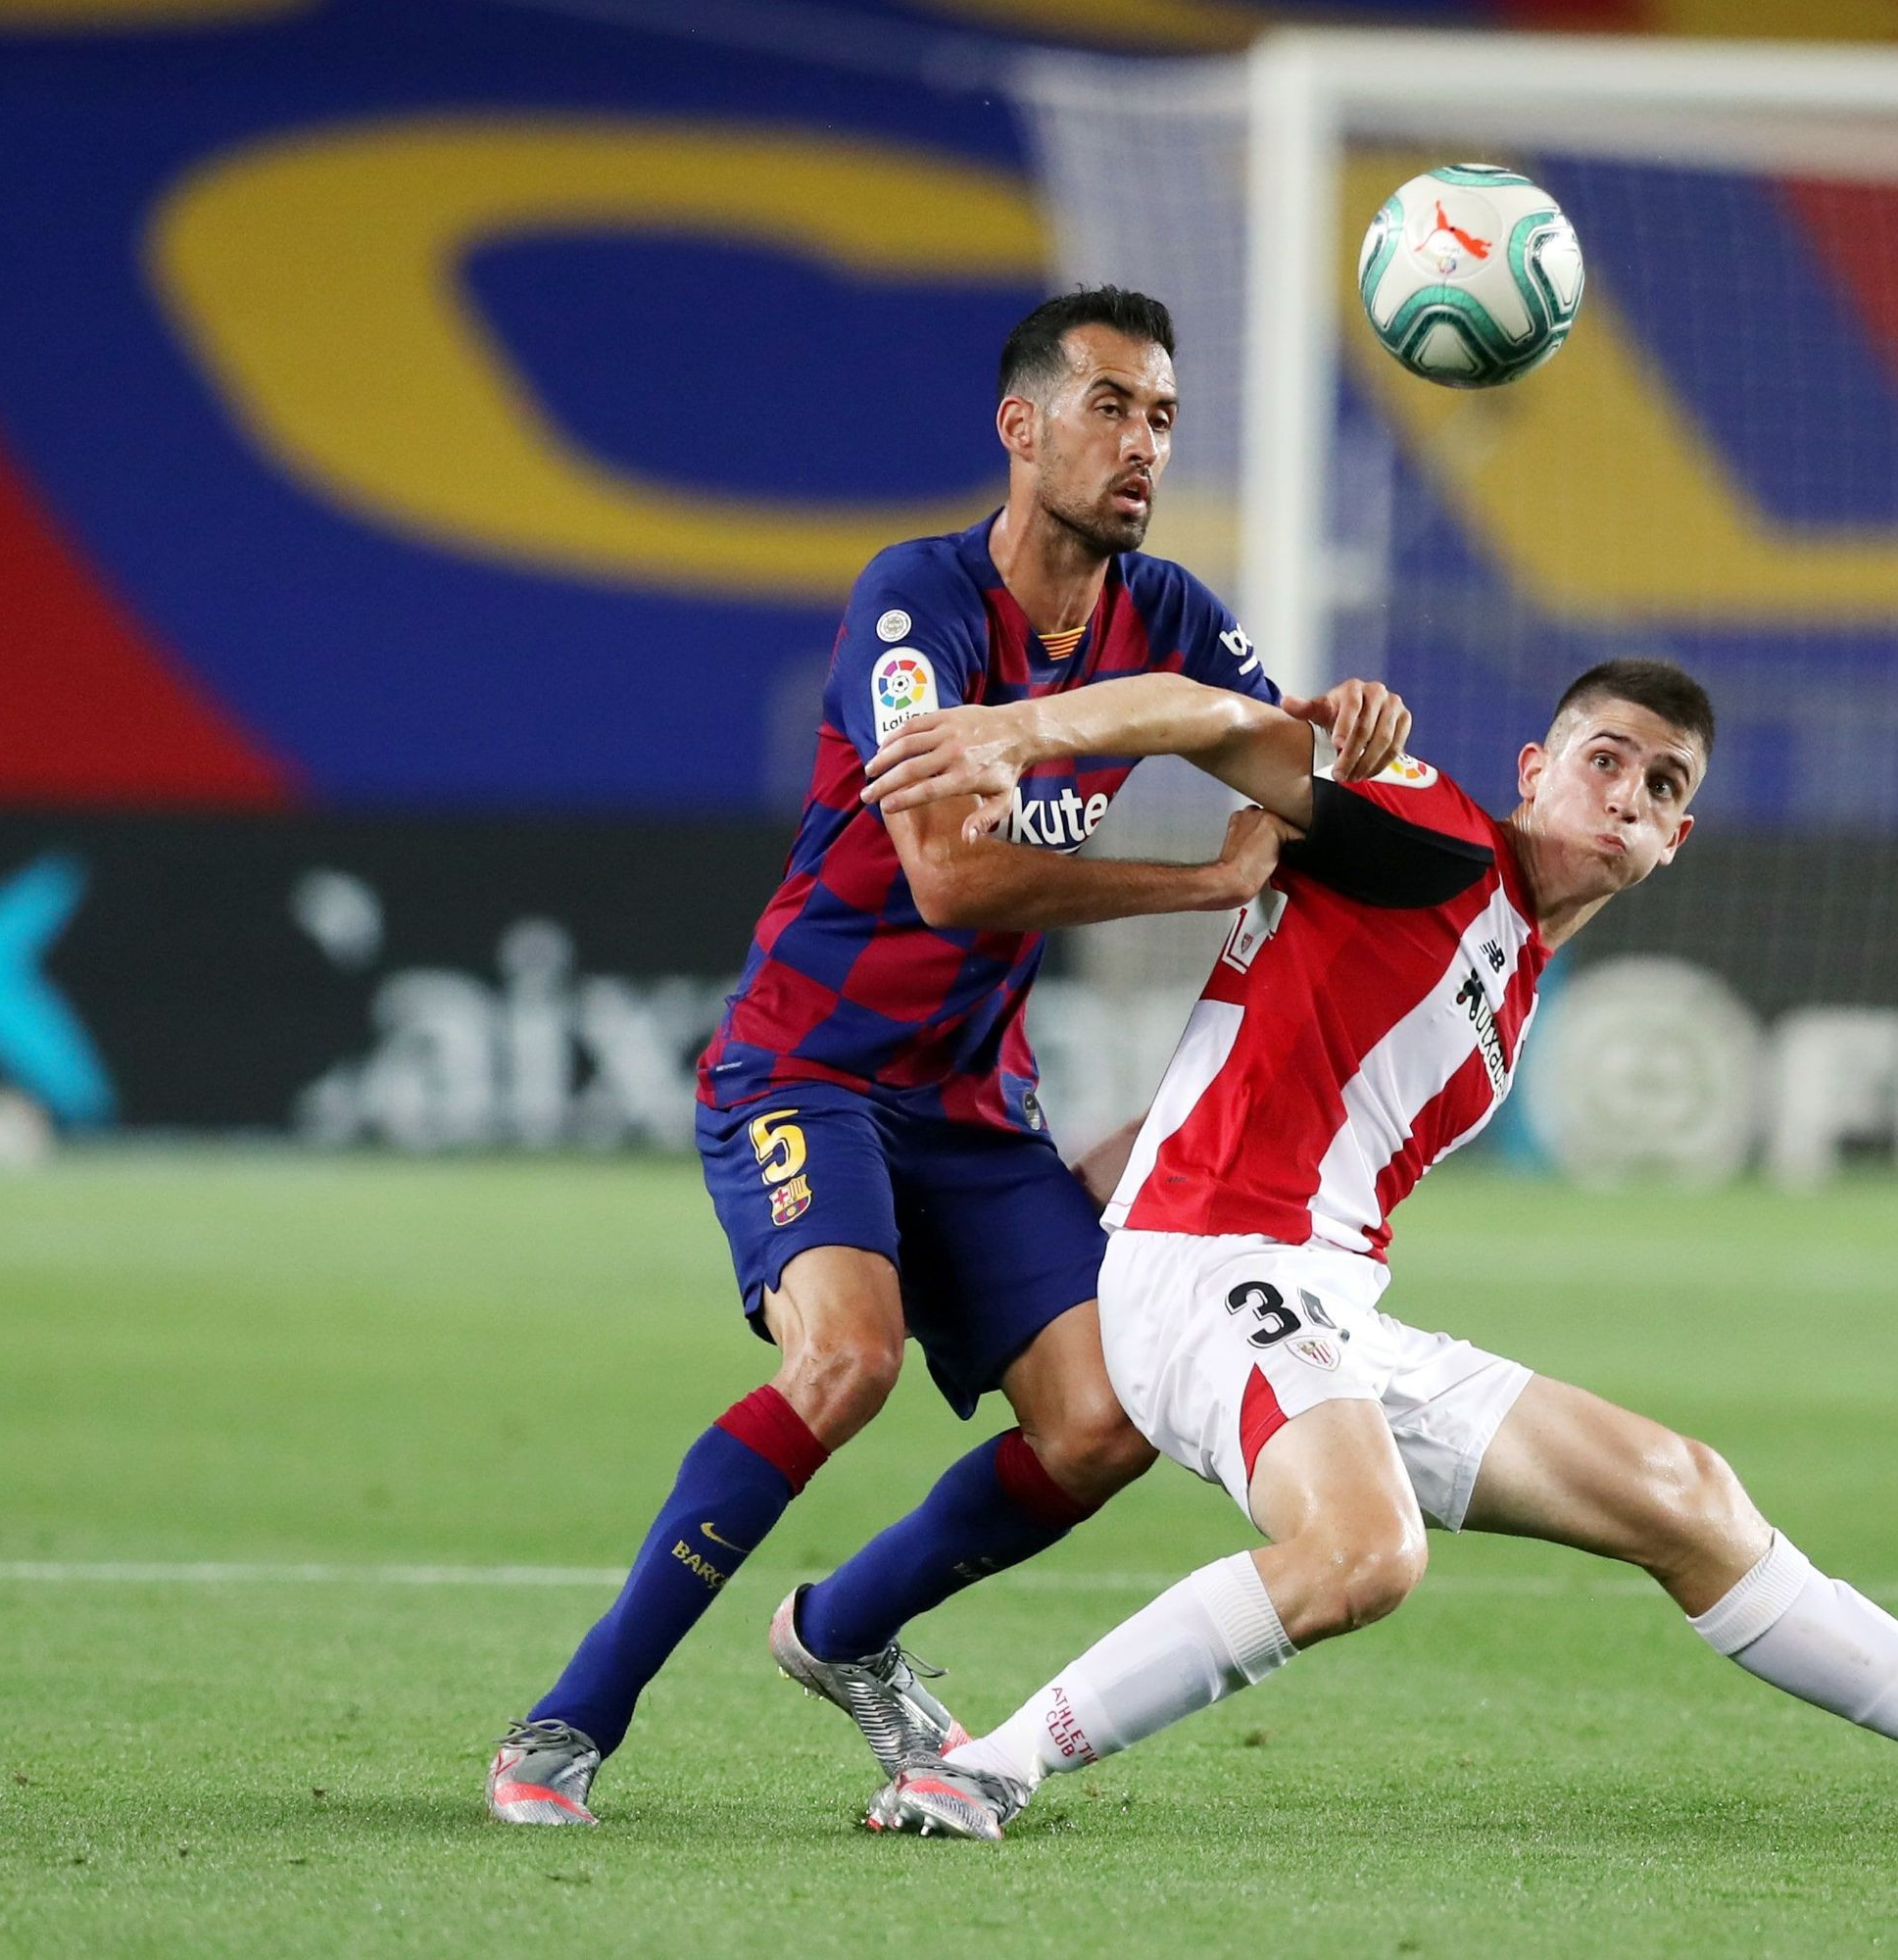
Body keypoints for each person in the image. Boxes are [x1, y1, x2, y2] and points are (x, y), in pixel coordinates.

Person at [848, 657, 1898, 1840]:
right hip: (1214, 1268)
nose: (1628, 794)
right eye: (1605, 758)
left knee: (1684, 1492)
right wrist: (1013, 732)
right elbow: (1207, 717)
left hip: (1316, 1298)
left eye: (1662, 788)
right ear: (1536, 767)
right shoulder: (1431, 835)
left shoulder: (1514, 965)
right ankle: (990, 1766)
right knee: (1362, 1555)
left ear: (1675, 842)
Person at [486, 286, 1414, 1825]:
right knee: (844, 1358)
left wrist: (1341, 729)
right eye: (1110, 406)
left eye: (1163, 417)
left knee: (1105, 1424)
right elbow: (951, 879)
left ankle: (844, 1631)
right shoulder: (914, 600)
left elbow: (1282, 752)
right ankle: (565, 1726)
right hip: (810, 1066)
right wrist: (1195, 880)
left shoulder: (1165, 613)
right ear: (1022, 425)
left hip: (973, 1102)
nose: (1141, 444)